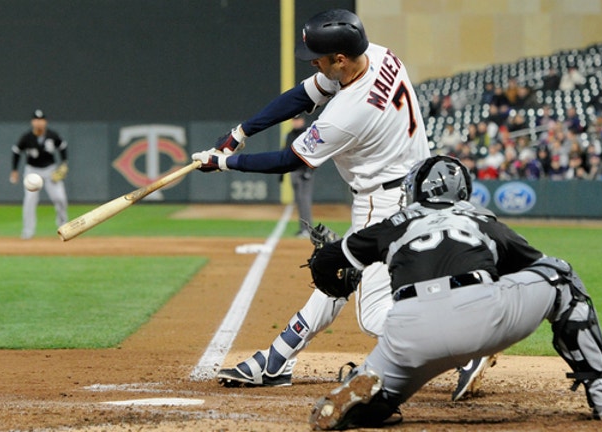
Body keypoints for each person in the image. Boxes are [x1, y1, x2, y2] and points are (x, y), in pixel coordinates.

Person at [191, 9, 491, 400]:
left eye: (318, 57)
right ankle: (278, 360)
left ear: (341, 59)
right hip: (419, 188)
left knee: (372, 316)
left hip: (383, 203)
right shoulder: (380, 55)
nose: (313, 61)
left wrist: (224, 161)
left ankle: (465, 347)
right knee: (336, 271)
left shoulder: (349, 113)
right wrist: (241, 131)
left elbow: (291, 160)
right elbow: (302, 95)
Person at [306, 155, 602, 430]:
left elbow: (324, 260)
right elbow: (536, 265)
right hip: (480, 315)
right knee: (561, 276)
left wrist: (335, 285)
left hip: (409, 332)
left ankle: (371, 400)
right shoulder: (482, 220)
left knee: (378, 397)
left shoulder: (394, 223)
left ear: (418, 189)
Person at [9, 109, 69, 239]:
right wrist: (14, 170)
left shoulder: (52, 135)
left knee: (60, 199)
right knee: (29, 201)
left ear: (45, 122)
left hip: (50, 170)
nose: (39, 122)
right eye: (36, 120)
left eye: (41, 120)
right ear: (32, 122)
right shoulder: (27, 137)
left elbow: (63, 146)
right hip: (32, 171)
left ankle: (64, 228)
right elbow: (16, 151)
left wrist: (64, 163)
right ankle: (27, 232)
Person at [286, 115, 315, 238]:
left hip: (304, 172)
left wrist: (309, 170)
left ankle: (308, 230)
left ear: (302, 120)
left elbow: (315, 152)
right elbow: (285, 152)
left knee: (305, 202)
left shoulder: (307, 134)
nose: (295, 122)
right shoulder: (290, 134)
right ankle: (302, 228)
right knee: (299, 202)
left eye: (297, 120)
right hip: (294, 171)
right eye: (294, 120)